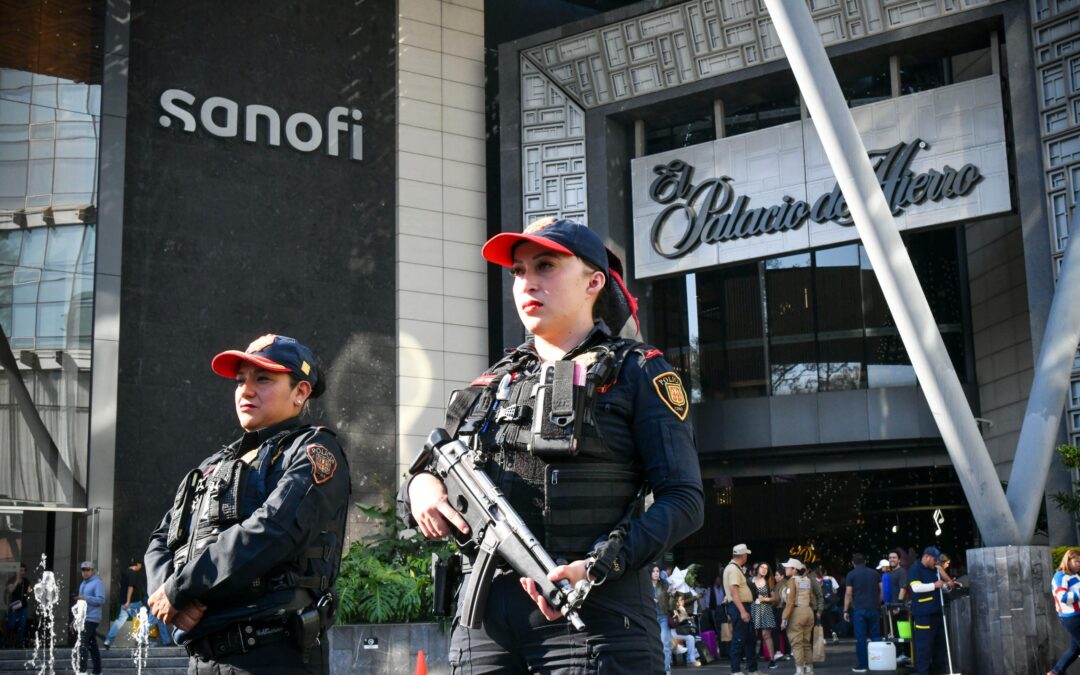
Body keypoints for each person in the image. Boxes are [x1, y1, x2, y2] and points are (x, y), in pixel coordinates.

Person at [399, 218, 705, 673]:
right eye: (519, 271)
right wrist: (420, 487)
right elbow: (429, 469)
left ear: (593, 282)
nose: (527, 282)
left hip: (596, 620)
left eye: (545, 266)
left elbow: (684, 501)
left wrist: (598, 565)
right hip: (485, 628)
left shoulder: (638, 371)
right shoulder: (490, 384)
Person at [145, 335, 351, 675]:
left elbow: (273, 530)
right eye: (241, 380)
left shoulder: (314, 450)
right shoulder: (214, 463)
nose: (246, 391)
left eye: (263, 379)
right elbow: (161, 538)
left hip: (272, 656)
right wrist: (166, 591)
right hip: (202, 659)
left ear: (300, 392)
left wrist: (182, 589)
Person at [907, 547, 957, 675]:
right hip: (924, 614)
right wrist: (935, 585)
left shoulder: (935, 570)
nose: (936, 562)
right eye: (934, 559)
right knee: (924, 648)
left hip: (938, 613)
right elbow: (916, 587)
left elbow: (940, 586)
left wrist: (947, 586)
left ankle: (939, 672)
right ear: (927, 557)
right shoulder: (915, 569)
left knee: (940, 647)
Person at [104, 558, 171, 649]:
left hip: (124, 603)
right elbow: (130, 587)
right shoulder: (133, 573)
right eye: (140, 565)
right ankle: (143, 639)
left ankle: (108, 640)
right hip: (133, 602)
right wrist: (128, 601)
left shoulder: (125, 573)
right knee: (147, 619)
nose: (141, 568)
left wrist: (125, 602)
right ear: (138, 564)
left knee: (120, 621)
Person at [780, 558, 823, 675]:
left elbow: (790, 603)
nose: (785, 569)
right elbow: (812, 599)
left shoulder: (792, 581)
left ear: (794, 569)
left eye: (788, 567)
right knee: (806, 643)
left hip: (797, 612)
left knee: (796, 643)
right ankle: (809, 669)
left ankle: (799, 670)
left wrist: (784, 618)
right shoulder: (807, 580)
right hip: (808, 612)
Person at [843, 553, 882, 673]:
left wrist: (845, 610)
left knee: (861, 638)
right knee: (876, 635)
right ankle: (878, 662)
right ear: (865, 561)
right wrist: (877, 602)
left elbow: (848, 593)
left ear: (853, 563)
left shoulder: (851, 574)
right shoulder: (875, 573)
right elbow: (882, 590)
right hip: (874, 608)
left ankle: (863, 665)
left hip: (859, 609)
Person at [724, 544, 758, 675]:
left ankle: (752, 669)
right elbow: (734, 591)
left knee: (750, 639)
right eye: (746, 555)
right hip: (740, 607)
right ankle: (736, 670)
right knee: (739, 639)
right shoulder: (733, 569)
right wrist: (743, 611)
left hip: (741, 606)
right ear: (743, 556)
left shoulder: (734, 568)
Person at [1050, 549, 1080, 675]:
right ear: (1068, 561)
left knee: (1074, 650)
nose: (1079, 564)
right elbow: (1063, 598)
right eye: (1077, 561)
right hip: (1072, 618)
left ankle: (1054, 673)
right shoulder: (1060, 576)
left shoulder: (1075, 575)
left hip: (1077, 615)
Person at [76, 560, 105, 675]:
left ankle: (82, 671)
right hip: (83, 618)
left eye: (87, 570)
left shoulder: (97, 582)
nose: (85, 572)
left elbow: (101, 600)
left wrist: (85, 598)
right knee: (92, 645)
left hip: (92, 618)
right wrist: (75, 619)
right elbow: (80, 603)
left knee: (82, 643)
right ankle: (97, 671)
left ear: (92, 571)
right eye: (83, 570)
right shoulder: (83, 584)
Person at [750, 562, 779, 669]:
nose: (764, 569)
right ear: (758, 568)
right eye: (762, 567)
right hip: (753, 609)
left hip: (766, 609)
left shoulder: (768, 581)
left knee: (766, 635)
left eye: (766, 568)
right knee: (752, 635)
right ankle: (751, 660)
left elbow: (774, 598)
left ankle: (772, 660)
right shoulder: (750, 581)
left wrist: (765, 599)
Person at [671, 593, 702, 667]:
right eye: (681, 600)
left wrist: (688, 618)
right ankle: (688, 658)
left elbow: (684, 619)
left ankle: (691, 659)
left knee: (691, 638)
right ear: (677, 602)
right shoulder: (674, 610)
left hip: (680, 632)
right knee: (690, 637)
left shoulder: (682, 608)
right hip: (673, 633)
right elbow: (676, 621)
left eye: (683, 600)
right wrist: (684, 616)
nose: (683, 601)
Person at [653, 565, 675, 672]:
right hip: (651, 617)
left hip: (663, 616)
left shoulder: (664, 584)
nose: (656, 573)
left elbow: (670, 605)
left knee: (665, 644)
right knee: (652, 645)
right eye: (653, 571)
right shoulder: (645, 586)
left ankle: (666, 670)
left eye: (657, 571)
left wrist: (672, 595)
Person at [5, 563, 30, 648]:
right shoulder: (12, 580)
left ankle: (19, 645)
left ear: (25, 572)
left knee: (22, 626)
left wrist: (30, 591)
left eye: (23, 571)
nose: (21, 572)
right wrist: (16, 580)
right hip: (14, 607)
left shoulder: (26, 581)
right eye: (20, 570)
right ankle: (7, 641)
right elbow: (10, 590)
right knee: (11, 625)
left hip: (23, 607)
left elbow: (28, 592)